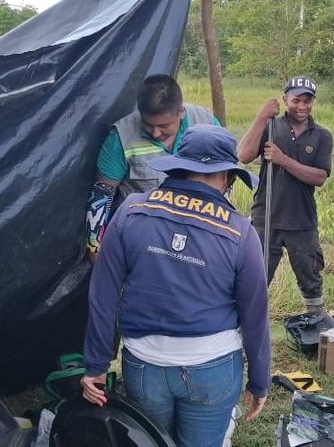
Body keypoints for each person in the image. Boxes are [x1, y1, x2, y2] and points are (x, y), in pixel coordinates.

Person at [80, 126, 271, 447]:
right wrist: (260, 381)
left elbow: (103, 295)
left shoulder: (131, 211)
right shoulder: (240, 233)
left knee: (151, 442)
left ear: (179, 166)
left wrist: (97, 364)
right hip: (212, 370)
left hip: (144, 367)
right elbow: (255, 315)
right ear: (226, 176)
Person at [86, 73, 220, 262]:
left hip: (195, 239)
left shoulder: (207, 124)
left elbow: (222, 182)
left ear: (181, 112)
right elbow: (102, 196)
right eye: (148, 125)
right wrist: (95, 248)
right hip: (139, 240)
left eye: (164, 126)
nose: (156, 133)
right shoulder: (121, 138)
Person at [237, 76, 333, 314]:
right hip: (266, 218)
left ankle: (314, 327)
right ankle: (241, 333)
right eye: (296, 100)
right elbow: (243, 155)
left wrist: (283, 160)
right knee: (254, 279)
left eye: (307, 101)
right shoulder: (271, 127)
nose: (302, 106)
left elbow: (319, 177)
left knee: (311, 281)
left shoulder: (321, 135)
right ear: (285, 100)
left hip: (302, 221)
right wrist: (261, 116)